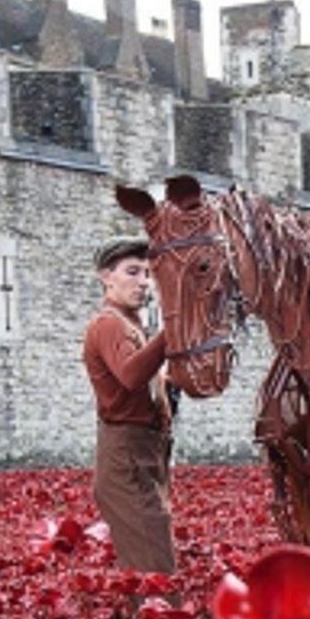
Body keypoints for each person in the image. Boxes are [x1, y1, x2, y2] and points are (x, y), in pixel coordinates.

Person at [82, 237, 176, 577]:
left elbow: (148, 386)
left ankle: (152, 615)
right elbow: (131, 375)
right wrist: (172, 331)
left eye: (147, 274)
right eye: (133, 272)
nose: (144, 282)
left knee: (150, 563)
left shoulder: (131, 324)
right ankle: (157, 616)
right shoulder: (109, 324)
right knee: (155, 569)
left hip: (143, 452)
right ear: (106, 277)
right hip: (127, 455)